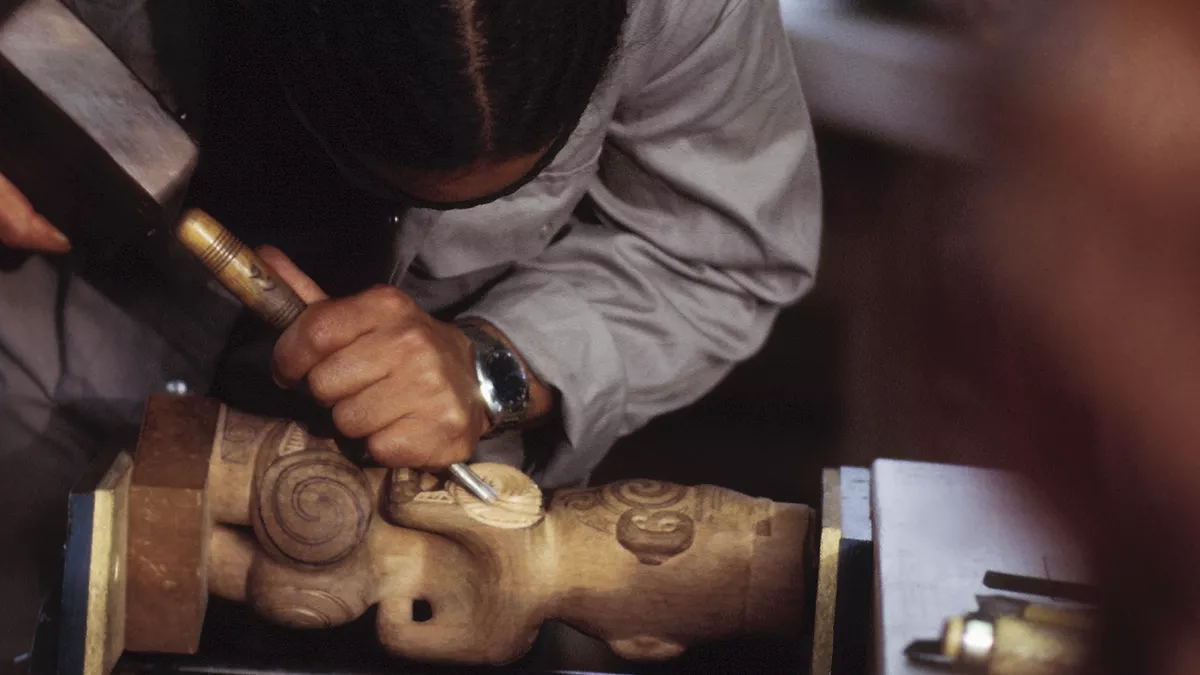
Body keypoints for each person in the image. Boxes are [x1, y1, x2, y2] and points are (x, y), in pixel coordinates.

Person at [0, 0, 820, 665]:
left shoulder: (691, 12)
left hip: (412, 532)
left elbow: (715, 253)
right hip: (48, 379)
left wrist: (495, 366)